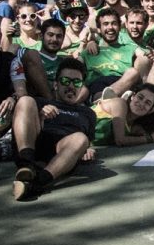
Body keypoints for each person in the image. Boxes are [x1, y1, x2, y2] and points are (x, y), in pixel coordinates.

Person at [9, 57, 98, 201]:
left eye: (76, 82)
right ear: (56, 85)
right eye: (65, 81)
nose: (71, 86)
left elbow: (88, 141)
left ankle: (37, 183)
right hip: (35, 144)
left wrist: (88, 148)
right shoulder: (40, 102)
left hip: (62, 153)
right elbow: (23, 122)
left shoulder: (88, 114)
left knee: (81, 138)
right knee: (25, 101)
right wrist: (41, 116)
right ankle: (26, 165)